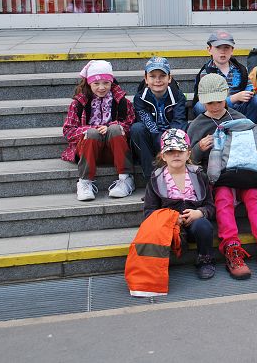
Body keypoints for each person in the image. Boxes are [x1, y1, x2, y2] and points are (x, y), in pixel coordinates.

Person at [187, 74, 257, 279]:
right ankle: (232, 247)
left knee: (255, 199)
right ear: (202, 101)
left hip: (246, 173)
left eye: (219, 101)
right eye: (209, 102)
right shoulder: (197, 125)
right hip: (218, 178)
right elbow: (188, 159)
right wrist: (199, 148)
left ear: (226, 97)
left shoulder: (238, 118)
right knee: (223, 198)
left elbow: (255, 145)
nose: (215, 106)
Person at [142, 129, 216, 280]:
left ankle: (205, 259)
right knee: (157, 230)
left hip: (194, 224)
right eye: (170, 151)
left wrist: (200, 213)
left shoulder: (199, 175)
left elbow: (211, 206)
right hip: (170, 227)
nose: (176, 155)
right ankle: (159, 264)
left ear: (188, 154)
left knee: (204, 225)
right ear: (163, 156)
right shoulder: (156, 179)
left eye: (180, 151)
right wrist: (171, 219)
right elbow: (149, 212)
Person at [62, 60, 135, 201]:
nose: (101, 87)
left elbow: (131, 123)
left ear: (111, 82)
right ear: (89, 83)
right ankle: (85, 182)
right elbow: (68, 131)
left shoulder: (122, 102)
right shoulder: (78, 103)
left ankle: (125, 179)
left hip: (114, 151)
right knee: (92, 133)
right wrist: (93, 129)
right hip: (88, 150)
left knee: (115, 129)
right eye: (96, 83)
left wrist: (111, 127)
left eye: (106, 83)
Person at [130, 56, 187, 181]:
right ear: (146, 79)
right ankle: (151, 177)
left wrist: (168, 143)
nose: (158, 80)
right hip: (151, 141)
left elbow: (179, 122)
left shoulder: (178, 96)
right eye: (152, 76)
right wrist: (161, 143)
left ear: (169, 78)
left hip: (172, 140)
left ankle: (181, 173)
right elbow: (148, 124)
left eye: (162, 76)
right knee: (137, 128)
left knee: (187, 128)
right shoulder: (140, 98)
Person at [192, 30, 257, 124]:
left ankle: (248, 127)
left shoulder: (240, 69)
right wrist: (234, 98)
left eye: (226, 47)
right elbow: (206, 99)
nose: (223, 51)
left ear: (232, 50)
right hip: (216, 108)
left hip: (239, 109)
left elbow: (248, 87)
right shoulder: (206, 73)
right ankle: (214, 129)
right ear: (209, 49)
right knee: (200, 106)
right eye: (218, 47)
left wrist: (255, 91)